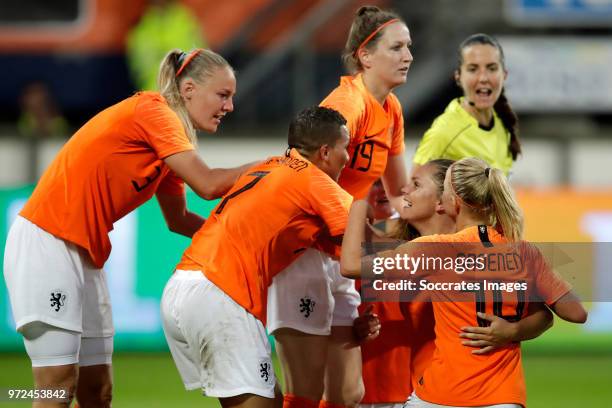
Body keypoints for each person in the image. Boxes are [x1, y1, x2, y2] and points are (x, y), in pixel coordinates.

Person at [3, 48, 252, 407]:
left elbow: (178, 219)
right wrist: (275, 165)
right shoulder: (154, 112)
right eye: (223, 95)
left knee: (98, 392)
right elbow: (208, 184)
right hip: (47, 241)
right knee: (55, 389)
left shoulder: (170, 139)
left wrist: (240, 242)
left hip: (85, 254)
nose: (229, 107)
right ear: (189, 90)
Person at [341, 157, 588, 407]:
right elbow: (575, 313)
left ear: (454, 201)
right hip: (503, 397)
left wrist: (358, 204)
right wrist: (513, 330)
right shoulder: (524, 251)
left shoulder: (437, 249)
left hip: (441, 396)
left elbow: (350, 266)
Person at [267, 6, 412, 408]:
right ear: (366, 56)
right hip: (307, 252)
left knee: (349, 393)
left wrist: (434, 234)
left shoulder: (391, 110)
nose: (408, 55)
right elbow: (299, 167)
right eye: (397, 47)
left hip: (341, 253)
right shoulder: (349, 105)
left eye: (409, 47)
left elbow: (398, 196)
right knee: (306, 392)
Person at [160, 106, 352, 408]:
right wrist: (434, 258)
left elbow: (331, 244)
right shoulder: (316, 182)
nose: (349, 157)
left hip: (182, 287)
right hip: (220, 294)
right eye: (346, 148)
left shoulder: (269, 167)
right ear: (326, 152)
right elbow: (362, 244)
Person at [413, 34, 520, 176]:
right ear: (458, 77)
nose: (483, 78)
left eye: (492, 68)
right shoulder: (444, 133)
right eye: (473, 69)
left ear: (504, 75)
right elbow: (412, 192)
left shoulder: (503, 124)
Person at [127, 0, 205, 91]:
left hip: (187, 92)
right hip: (156, 95)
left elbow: (200, 58)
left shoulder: (185, 20)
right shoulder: (140, 32)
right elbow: (140, 73)